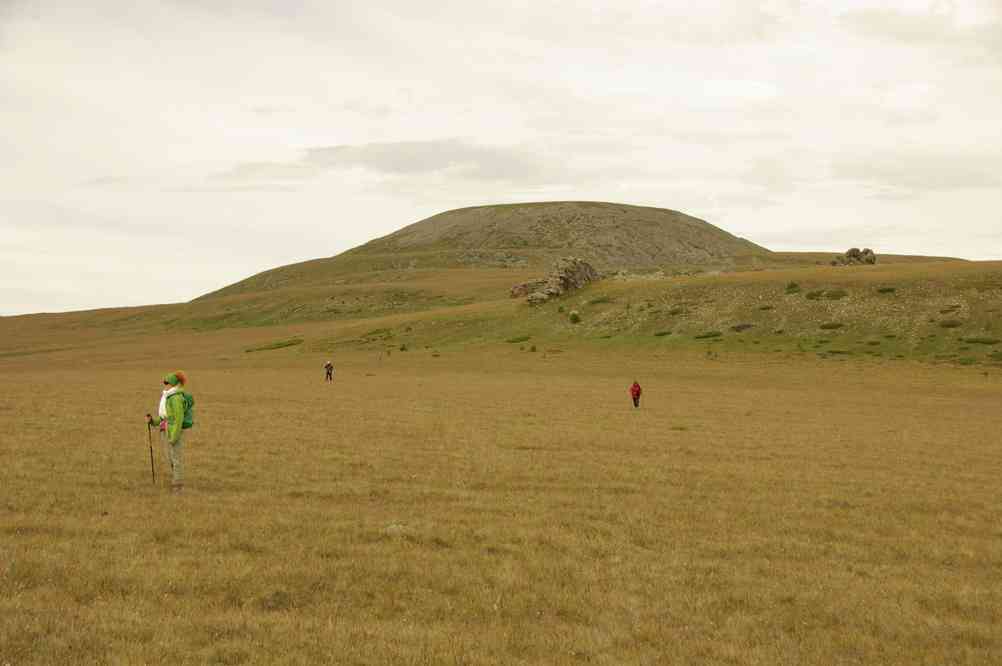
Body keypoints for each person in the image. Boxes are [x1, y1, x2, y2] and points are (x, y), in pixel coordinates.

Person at [146, 371, 189, 493]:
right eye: (165, 383)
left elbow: (179, 418)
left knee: (176, 458)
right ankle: (176, 481)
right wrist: (153, 421)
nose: (165, 385)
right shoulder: (168, 396)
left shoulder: (175, 398)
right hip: (166, 430)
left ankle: (178, 485)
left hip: (173, 432)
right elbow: (164, 416)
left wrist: (174, 435)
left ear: (173, 384)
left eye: (168, 383)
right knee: (171, 458)